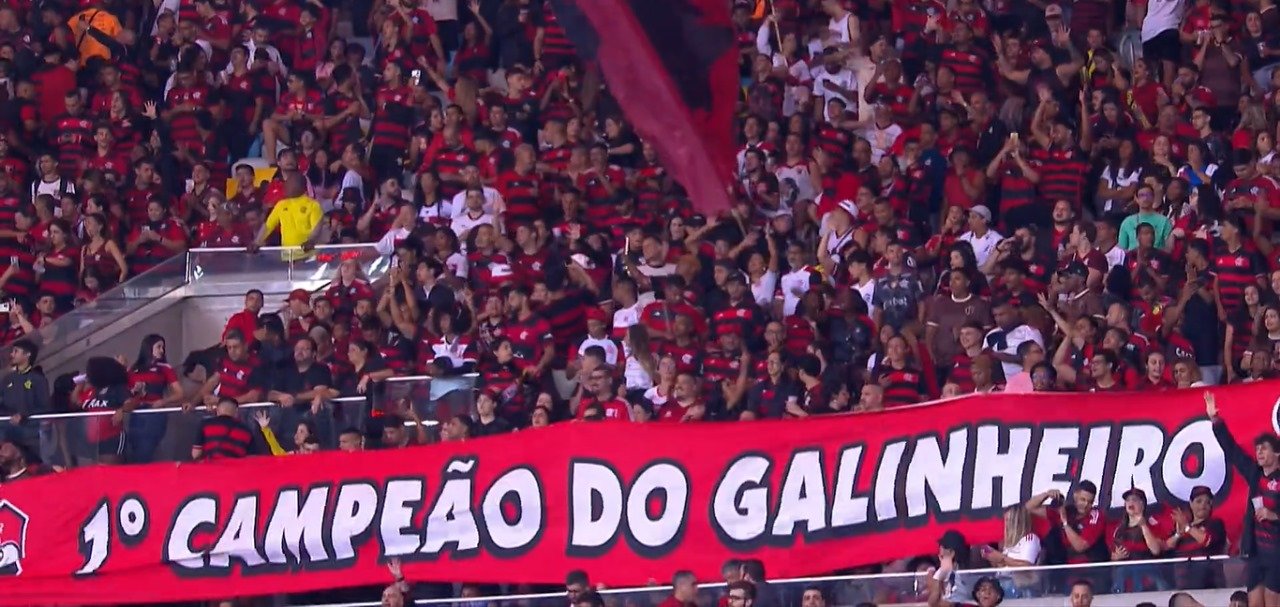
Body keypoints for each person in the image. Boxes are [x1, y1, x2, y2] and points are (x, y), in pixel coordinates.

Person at [1206, 391, 1280, 607]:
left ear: (1278, 454)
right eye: (1257, 449)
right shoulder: (1254, 474)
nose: (1259, 453)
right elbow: (1232, 451)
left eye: (1264, 449)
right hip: (1255, 554)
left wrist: (1273, 515)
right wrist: (1215, 420)